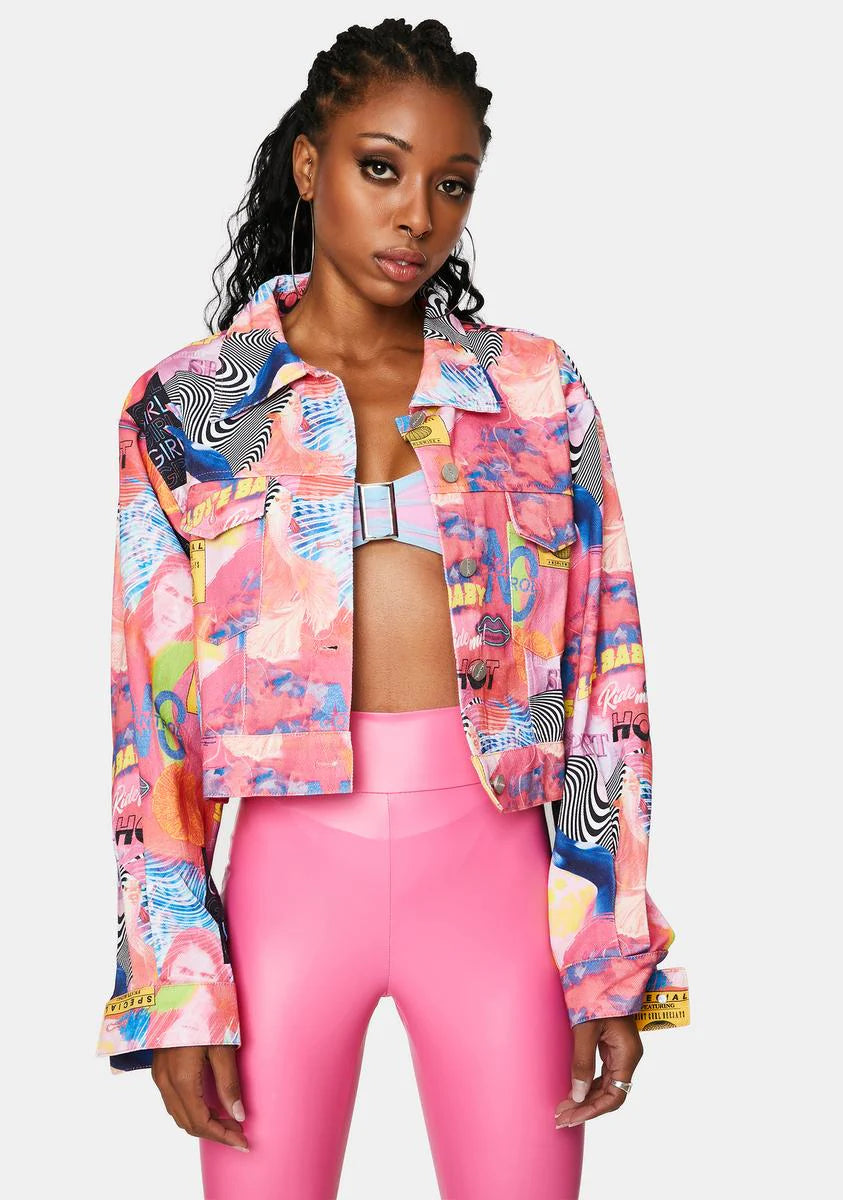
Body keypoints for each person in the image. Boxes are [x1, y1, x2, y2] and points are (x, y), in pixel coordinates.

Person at [96, 17, 690, 1200]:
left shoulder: (536, 390)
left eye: (450, 184)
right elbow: (148, 724)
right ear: (311, 166)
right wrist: (175, 986)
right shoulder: (189, 407)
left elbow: (605, 677)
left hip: (497, 885)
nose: (416, 214)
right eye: (382, 168)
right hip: (286, 892)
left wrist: (607, 956)